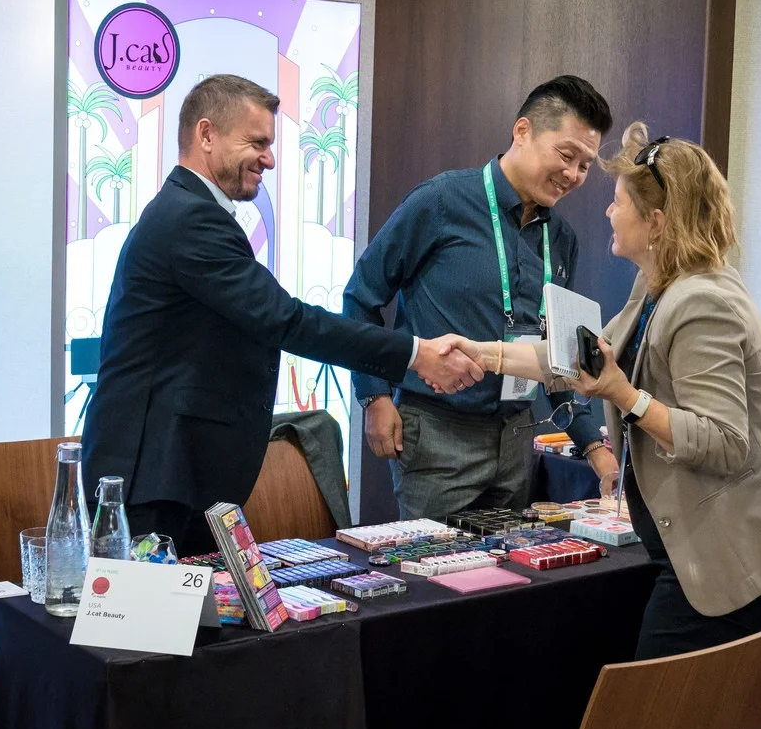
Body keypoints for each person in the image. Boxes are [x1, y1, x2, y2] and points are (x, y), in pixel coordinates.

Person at [456, 121, 761, 658]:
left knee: (658, 709)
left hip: (730, 562)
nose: (608, 211)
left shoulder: (703, 303)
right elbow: (576, 358)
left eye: (619, 201)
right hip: (697, 551)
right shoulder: (657, 286)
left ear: (656, 222)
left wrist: (626, 396)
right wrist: (479, 353)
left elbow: (723, 441)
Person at [82, 74, 482, 556]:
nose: (269, 159)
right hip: (153, 475)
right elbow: (286, 321)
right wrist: (415, 353)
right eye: (257, 143)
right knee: (144, 608)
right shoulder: (189, 217)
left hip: (172, 470)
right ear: (206, 134)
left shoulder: (189, 211)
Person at [343, 76, 619, 522]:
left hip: (518, 438)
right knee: (433, 563)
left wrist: (593, 446)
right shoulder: (440, 202)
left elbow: (561, 358)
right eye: (566, 156)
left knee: (508, 566)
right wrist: (374, 397)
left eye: (585, 166)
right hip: (437, 432)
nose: (573, 175)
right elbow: (361, 298)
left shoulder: (562, 239)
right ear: (523, 131)